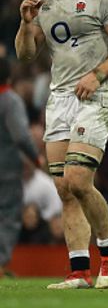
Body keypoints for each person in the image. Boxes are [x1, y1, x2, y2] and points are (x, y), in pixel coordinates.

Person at [16, 0, 108, 289]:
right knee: (64, 189)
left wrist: (98, 74)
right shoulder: (44, 4)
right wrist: (26, 24)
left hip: (95, 97)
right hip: (59, 102)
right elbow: (26, 55)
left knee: (79, 181)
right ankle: (78, 271)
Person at [0, 57, 40, 278]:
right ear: (8, 77)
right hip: (6, 167)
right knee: (7, 216)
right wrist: (36, 159)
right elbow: (21, 136)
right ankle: (0, 264)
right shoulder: (10, 100)